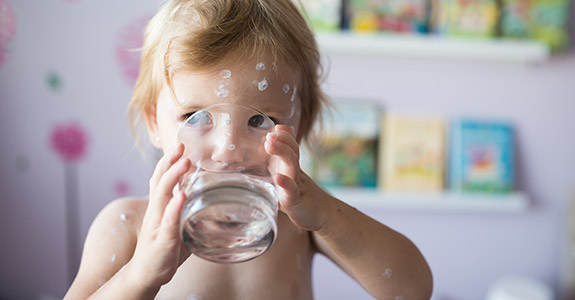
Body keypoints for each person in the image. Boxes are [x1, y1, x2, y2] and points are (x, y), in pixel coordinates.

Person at [64, 0, 433, 299]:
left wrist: (325, 213)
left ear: (299, 127)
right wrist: (140, 275)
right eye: (195, 116)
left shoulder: (300, 223)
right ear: (154, 123)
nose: (227, 150)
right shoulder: (128, 225)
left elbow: (412, 289)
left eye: (260, 121)